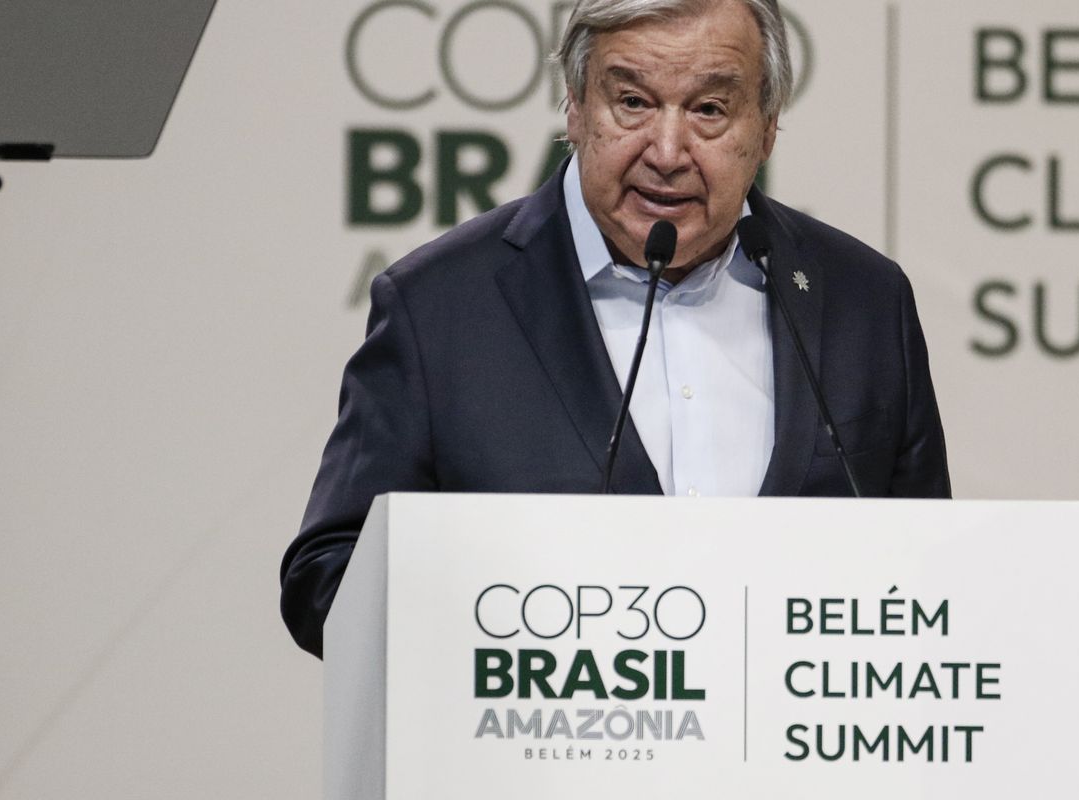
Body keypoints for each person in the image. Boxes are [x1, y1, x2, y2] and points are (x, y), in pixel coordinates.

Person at [280, 0, 949, 658]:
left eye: (709, 109)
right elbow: (328, 580)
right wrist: (510, 629)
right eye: (632, 102)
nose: (668, 152)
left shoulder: (865, 301)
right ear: (574, 106)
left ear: (768, 127)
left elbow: (932, 581)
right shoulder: (439, 307)